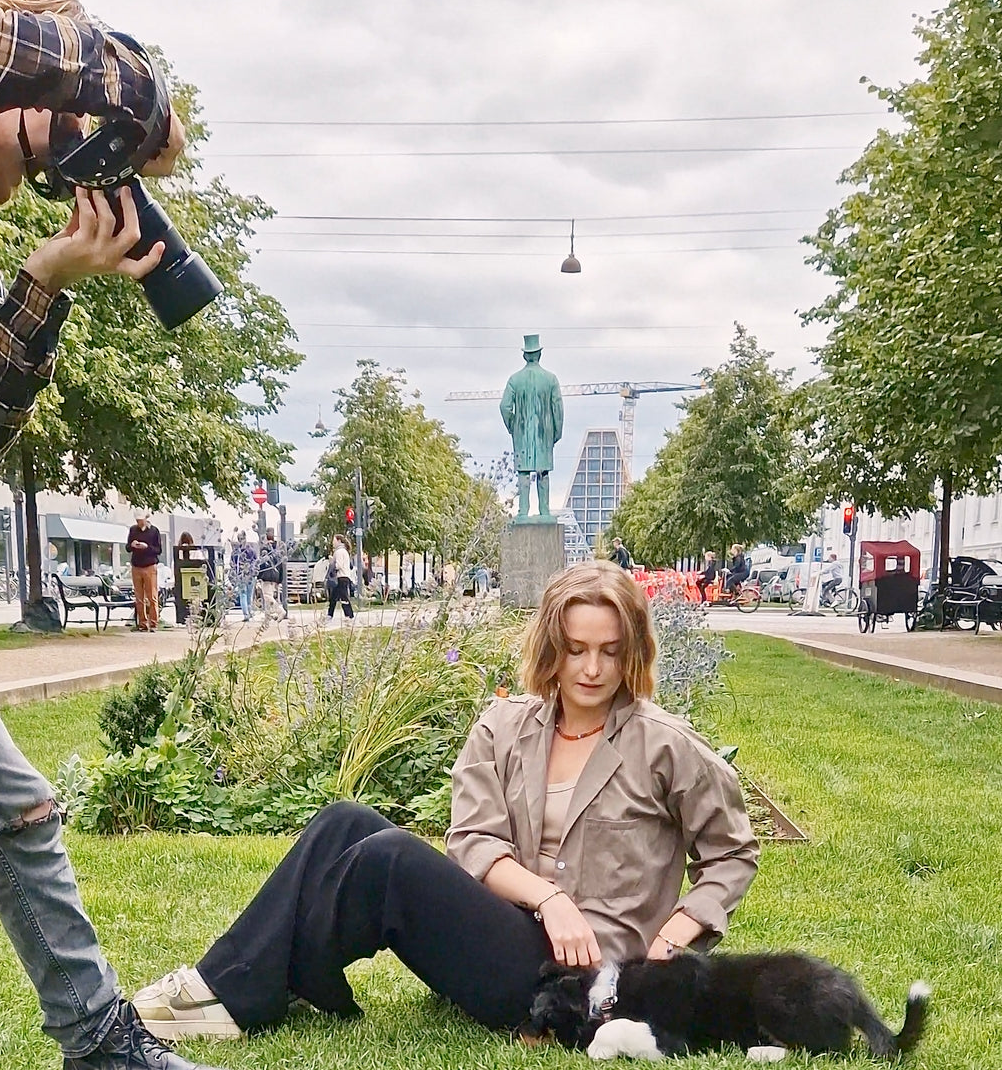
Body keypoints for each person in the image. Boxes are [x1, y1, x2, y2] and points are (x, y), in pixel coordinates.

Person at [0, 0, 223, 1070]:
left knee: (18, 817)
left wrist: (45, 282)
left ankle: (103, 1049)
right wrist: (78, 94)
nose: (58, 170)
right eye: (46, 126)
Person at [130, 561, 758, 1041]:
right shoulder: (506, 727)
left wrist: (674, 936)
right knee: (344, 821)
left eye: (610, 651)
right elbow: (474, 842)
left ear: (631, 653)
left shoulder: (664, 746)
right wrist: (549, 897)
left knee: (391, 861)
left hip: (577, 981)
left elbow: (732, 852)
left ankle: (234, 994)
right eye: (576, 649)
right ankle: (241, 979)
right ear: (552, 649)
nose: (592, 669)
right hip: (512, 930)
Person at [499, 334, 564, 520]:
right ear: (539, 354)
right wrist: (556, 432)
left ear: (525, 356)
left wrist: (513, 425)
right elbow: (558, 408)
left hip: (522, 433)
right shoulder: (551, 379)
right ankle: (544, 511)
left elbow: (504, 406)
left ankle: (523, 512)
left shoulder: (514, 379)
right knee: (543, 472)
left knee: (523, 472)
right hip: (545, 433)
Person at [126, 513, 162, 632]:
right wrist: (132, 545)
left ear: (146, 519)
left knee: (152, 595)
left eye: (141, 520)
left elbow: (158, 550)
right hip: (136, 565)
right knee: (139, 597)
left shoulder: (154, 531)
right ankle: (142, 623)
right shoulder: (133, 530)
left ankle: (153, 622)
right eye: (137, 521)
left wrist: (146, 547)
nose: (139, 523)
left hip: (150, 565)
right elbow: (127, 547)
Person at [230, 530, 258, 622]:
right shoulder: (250, 551)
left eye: (241, 539)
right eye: (240, 539)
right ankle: (248, 613)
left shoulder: (236, 552)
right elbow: (255, 562)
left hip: (243, 575)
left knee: (245, 595)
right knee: (246, 595)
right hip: (247, 575)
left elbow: (233, 564)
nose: (241, 540)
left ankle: (247, 614)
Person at [326, 533, 354, 620]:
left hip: (340, 577)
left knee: (343, 597)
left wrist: (332, 563)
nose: (333, 543)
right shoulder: (344, 551)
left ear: (338, 541)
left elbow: (339, 565)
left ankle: (349, 615)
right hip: (344, 576)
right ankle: (330, 614)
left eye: (334, 540)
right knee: (334, 597)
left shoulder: (339, 552)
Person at [257, 527, 283, 617]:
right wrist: (280, 579)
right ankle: (270, 615)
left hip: (266, 575)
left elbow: (262, 563)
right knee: (270, 596)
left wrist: (258, 576)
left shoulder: (264, 549)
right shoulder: (278, 549)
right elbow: (281, 564)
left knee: (267, 596)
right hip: (275, 575)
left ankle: (280, 610)